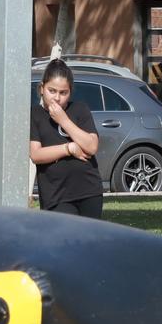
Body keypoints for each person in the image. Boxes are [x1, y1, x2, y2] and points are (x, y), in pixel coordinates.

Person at [28, 57, 105, 219]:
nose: (57, 98)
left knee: (89, 241)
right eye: (52, 91)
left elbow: (91, 146)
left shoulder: (80, 109)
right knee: (64, 240)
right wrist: (68, 148)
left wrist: (63, 120)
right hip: (56, 195)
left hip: (89, 190)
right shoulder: (35, 114)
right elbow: (36, 155)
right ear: (42, 88)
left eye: (63, 93)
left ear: (70, 92)